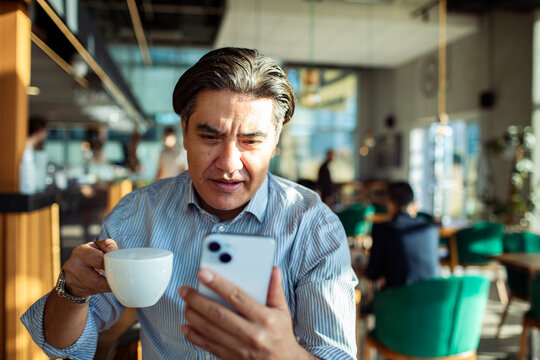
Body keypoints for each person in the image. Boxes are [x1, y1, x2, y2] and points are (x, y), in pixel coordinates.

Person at [21, 47, 358, 360]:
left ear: (275, 142)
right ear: (184, 130)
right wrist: (72, 291)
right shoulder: (139, 214)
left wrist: (286, 354)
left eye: (250, 141)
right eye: (210, 136)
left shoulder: (312, 226)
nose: (228, 163)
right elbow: (63, 347)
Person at [365, 181, 439, 289]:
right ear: (413, 203)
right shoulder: (430, 228)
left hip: (399, 300)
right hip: (430, 297)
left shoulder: (383, 230)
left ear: (390, 203)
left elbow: (372, 274)